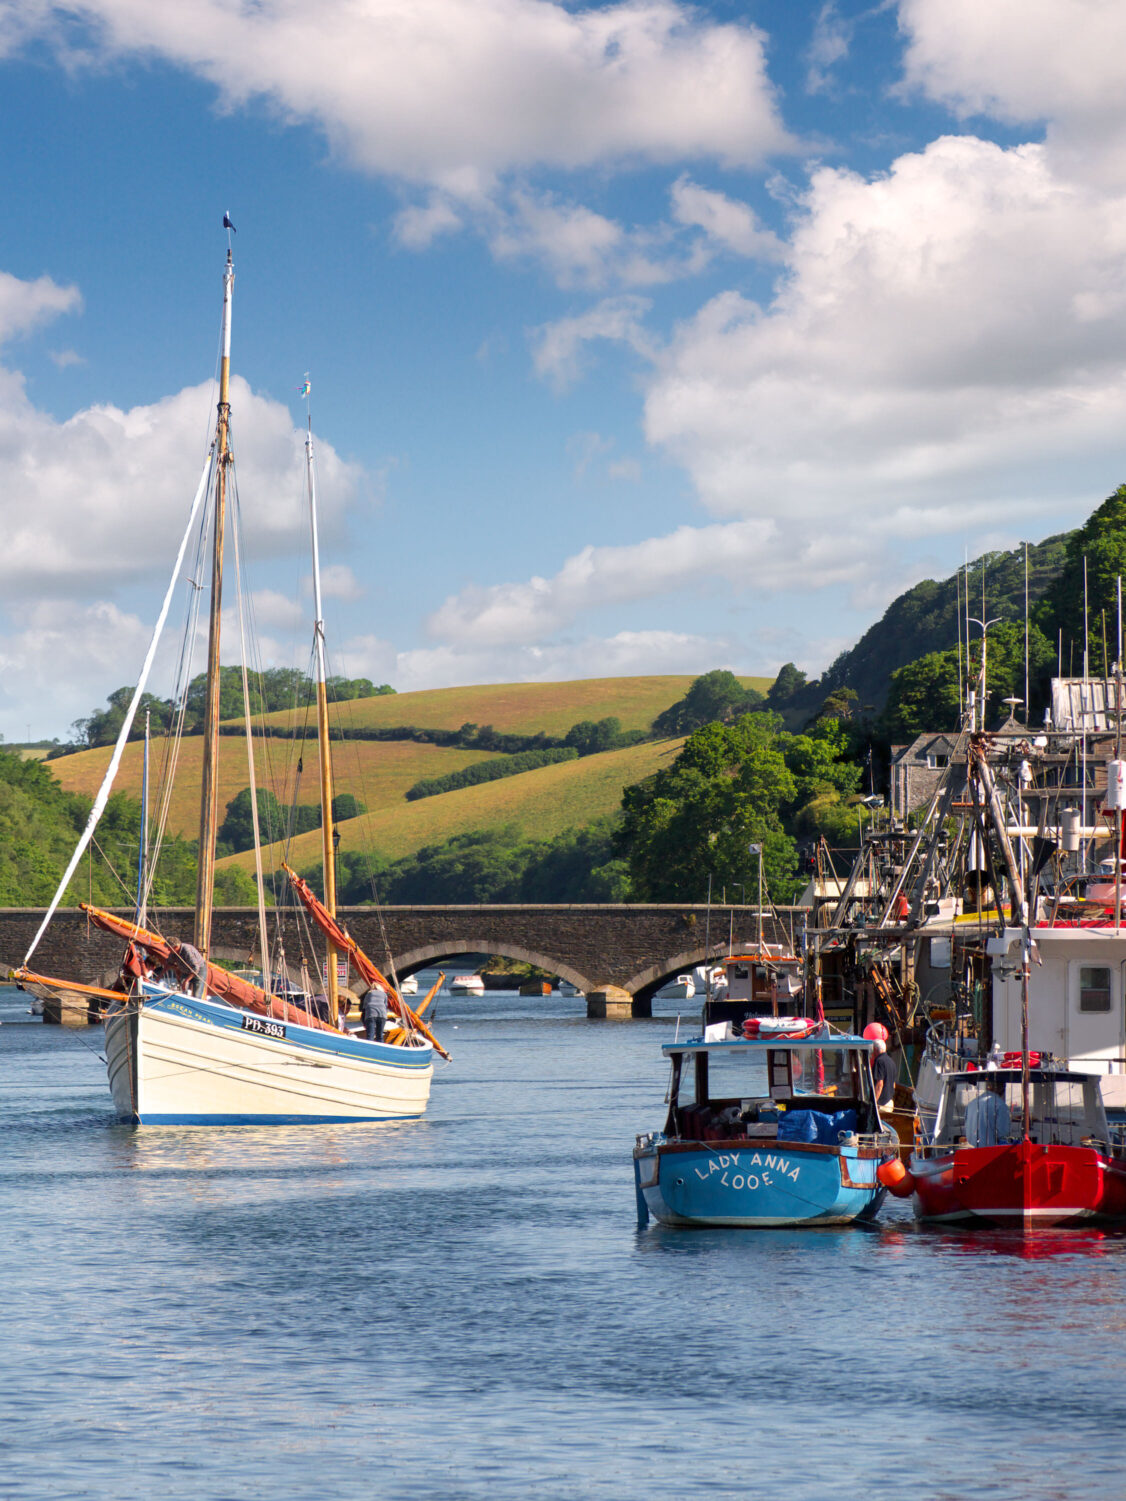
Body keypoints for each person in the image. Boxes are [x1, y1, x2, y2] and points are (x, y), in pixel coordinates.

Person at [871, 1038, 897, 1115]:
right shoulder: (892, 1062)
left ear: (875, 1049)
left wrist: (874, 1102)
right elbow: (893, 1085)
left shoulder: (879, 1061)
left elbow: (879, 1084)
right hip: (890, 1103)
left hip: (881, 1104)